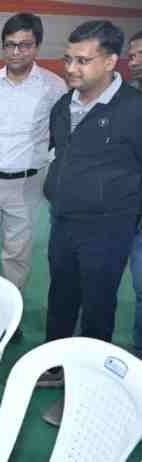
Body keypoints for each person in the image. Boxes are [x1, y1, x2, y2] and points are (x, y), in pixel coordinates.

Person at [36, 20, 142, 426]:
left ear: (111, 61)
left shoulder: (134, 110)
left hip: (108, 229)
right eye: (68, 59)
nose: (71, 68)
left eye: (82, 60)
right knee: (62, 297)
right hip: (64, 221)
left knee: (97, 307)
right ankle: (57, 367)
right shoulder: (65, 106)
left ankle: (89, 393)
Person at [0, 12, 67, 342]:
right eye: (10, 45)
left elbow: (63, 134)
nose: (16, 52)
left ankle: (9, 318)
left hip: (28, 184)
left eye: (24, 45)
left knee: (17, 255)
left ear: (37, 46)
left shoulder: (54, 87)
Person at [126, 31, 142, 362]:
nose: (135, 61)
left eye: (141, 54)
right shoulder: (126, 99)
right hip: (126, 210)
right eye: (132, 55)